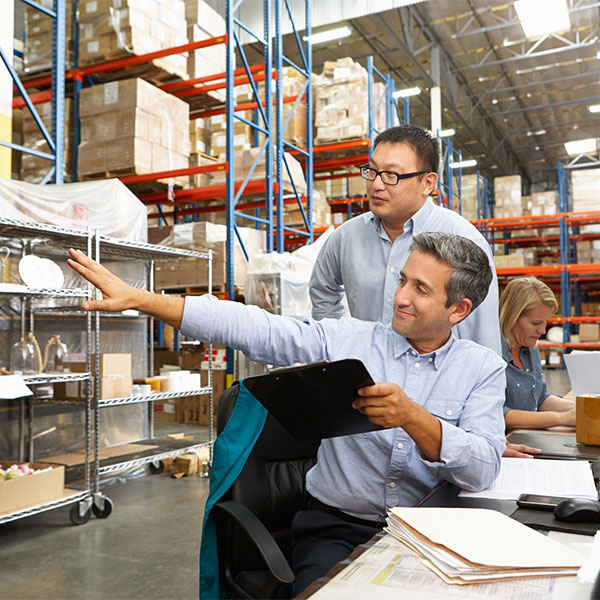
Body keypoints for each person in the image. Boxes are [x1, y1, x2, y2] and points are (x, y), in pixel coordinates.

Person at [67, 232, 506, 596]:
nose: (401, 297)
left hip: (431, 539)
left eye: (421, 290)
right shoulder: (350, 340)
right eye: (403, 280)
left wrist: (413, 417)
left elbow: (483, 468)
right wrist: (144, 300)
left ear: (458, 309)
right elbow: (256, 328)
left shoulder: (482, 369)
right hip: (337, 530)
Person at [309, 124, 501, 355]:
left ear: (428, 183)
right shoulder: (346, 237)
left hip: (435, 375)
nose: (376, 185)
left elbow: (482, 338)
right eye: (372, 171)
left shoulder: (464, 240)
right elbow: (322, 291)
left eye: (391, 175)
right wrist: (338, 345)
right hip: (364, 371)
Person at [500, 277, 575, 429]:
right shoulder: (491, 353)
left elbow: (540, 399)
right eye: (535, 323)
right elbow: (498, 414)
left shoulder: (530, 347)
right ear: (512, 317)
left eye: (546, 322)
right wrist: (562, 418)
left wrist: (582, 409)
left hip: (528, 436)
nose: (542, 331)